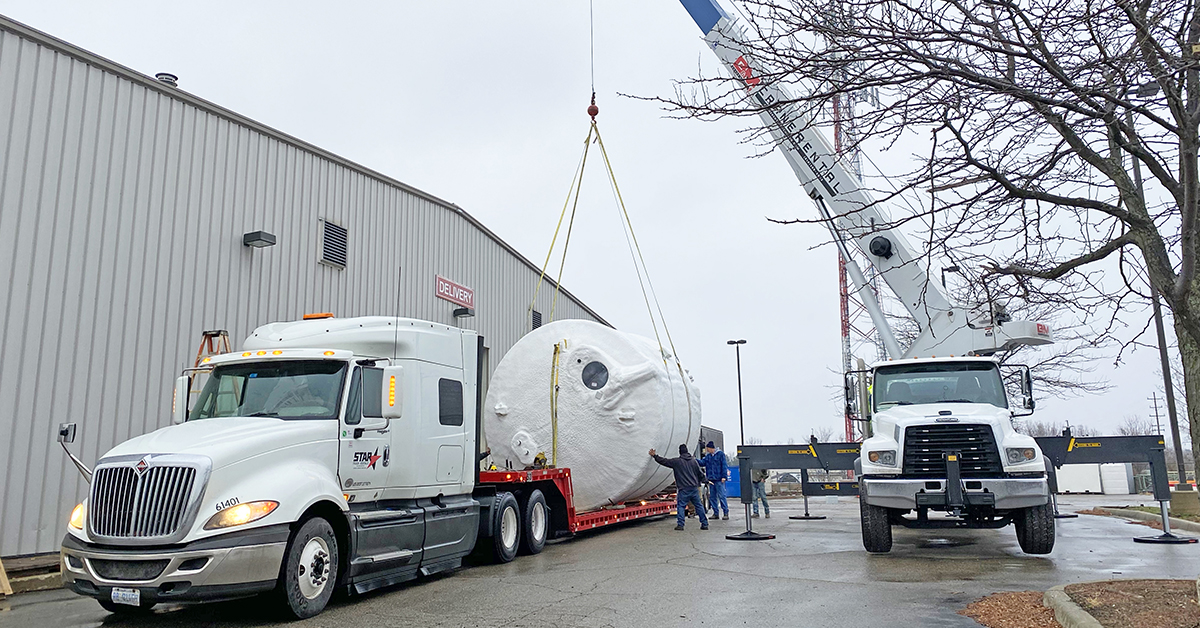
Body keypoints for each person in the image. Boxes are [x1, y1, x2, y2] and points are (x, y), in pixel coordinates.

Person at [650, 444, 709, 531]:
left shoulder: (677, 462)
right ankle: (704, 524)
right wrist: (706, 480)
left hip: (683, 489)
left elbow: (664, 461)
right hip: (694, 488)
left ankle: (680, 525)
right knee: (699, 506)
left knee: (681, 506)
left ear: (680, 452)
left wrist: (655, 456)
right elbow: (700, 474)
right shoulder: (693, 461)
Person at [702, 441, 729, 520]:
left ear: (711, 448)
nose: (706, 450)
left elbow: (724, 465)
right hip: (711, 480)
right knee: (712, 497)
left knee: (722, 496)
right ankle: (715, 513)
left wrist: (724, 476)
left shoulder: (720, 454)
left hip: (719, 479)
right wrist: (694, 460)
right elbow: (703, 462)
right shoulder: (708, 456)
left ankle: (725, 512)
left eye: (707, 448)